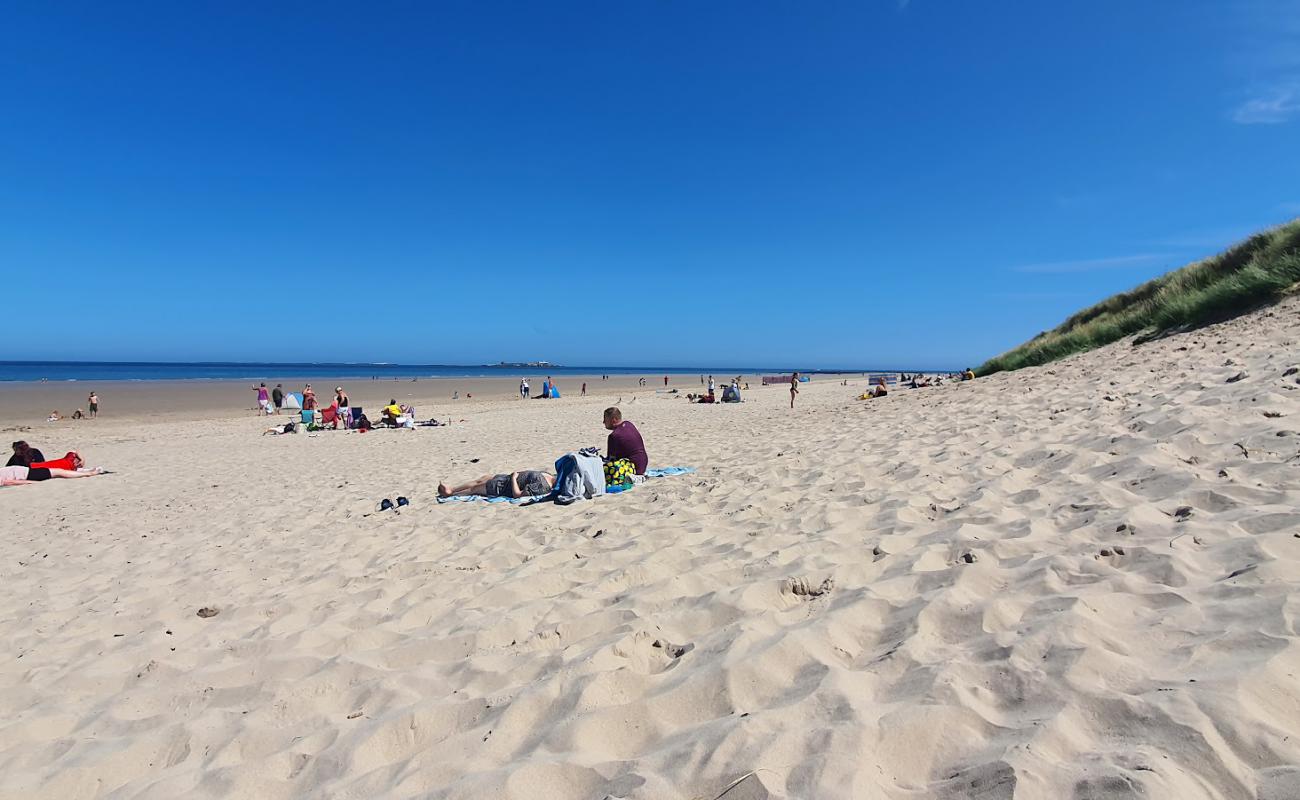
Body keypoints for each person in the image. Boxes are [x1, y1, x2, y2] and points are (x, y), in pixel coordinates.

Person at [438, 469, 556, 498]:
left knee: (475, 488)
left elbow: (518, 495)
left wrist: (514, 478)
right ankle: (452, 489)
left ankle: (451, 494)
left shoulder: (543, 486)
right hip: (505, 478)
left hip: (502, 487)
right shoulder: (550, 475)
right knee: (481, 479)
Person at [603, 406, 648, 475]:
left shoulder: (614, 436)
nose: (603, 422)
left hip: (632, 467)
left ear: (614, 420)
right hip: (643, 463)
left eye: (605, 419)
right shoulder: (629, 424)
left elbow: (611, 460)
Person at [1, 464, 105, 486]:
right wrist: (33, 482)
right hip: (29, 474)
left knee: (59, 472)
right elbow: (11, 482)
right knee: (59, 472)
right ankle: (90, 473)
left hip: (28, 472)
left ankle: (88, 472)